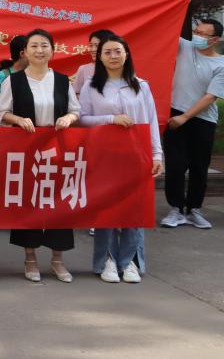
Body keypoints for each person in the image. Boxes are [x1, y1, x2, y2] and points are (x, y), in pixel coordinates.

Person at [0, 28, 81, 283]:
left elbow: (76, 110)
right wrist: (18, 119)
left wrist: (68, 118)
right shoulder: (14, 81)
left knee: (58, 204)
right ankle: (30, 257)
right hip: (27, 151)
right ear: (25, 52)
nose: (39, 50)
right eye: (34, 46)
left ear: (52, 51)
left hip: (57, 150)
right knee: (30, 203)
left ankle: (57, 260)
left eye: (44, 46)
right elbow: (1, 112)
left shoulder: (62, 80)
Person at [79, 34, 164, 283]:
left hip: (136, 155)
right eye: (107, 52)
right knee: (106, 208)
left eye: (118, 51)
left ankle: (131, 262)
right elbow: (82, 119)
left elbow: (151, 122)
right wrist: (110, 119)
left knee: (133, 209)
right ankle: (107, 260)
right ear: (99, 57)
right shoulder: (91, 86)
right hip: (104, 156)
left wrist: (157, 154)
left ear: (127, 54)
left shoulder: (141, 85)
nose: (113, 56)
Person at [160, 18, 224, 229]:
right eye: (196, 31)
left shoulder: (221, 64)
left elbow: (210, 97)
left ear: (214, 39)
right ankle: (176, 209)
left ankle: (194, 209)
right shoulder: (185, 47)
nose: (197, 36)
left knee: (199, 166)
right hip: (175, 112)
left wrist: (185, 117)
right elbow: (163, 28)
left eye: (203, 34)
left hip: (202, 119)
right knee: (175, 165)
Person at [72, 29, 115, 95]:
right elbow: (75, 93)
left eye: (97, 45)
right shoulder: (84, 69)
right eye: (91, 45)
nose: (93, 49)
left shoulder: (119, 69)